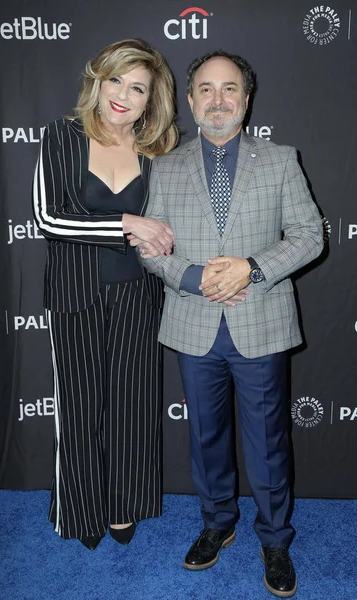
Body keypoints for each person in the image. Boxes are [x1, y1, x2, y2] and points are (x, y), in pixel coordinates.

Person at [132, 50, 323, 597]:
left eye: (230, 88)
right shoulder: (164, 168)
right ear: (190, 101)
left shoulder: (282, 159)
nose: (218, 99)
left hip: (260, 321)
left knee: (266, 442)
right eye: (206, 90)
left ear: (246, 99)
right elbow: (149, 248)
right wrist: (195, 277)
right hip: (194, 324)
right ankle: (217, 524)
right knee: (206, 437)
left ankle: (275, 540)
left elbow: (310, 236)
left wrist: (251, 269)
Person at [32, 39, 178, 550]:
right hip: (75, 295)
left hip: (138, 296)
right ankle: (80, 509)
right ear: (97, 80)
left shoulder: (157, 151)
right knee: (78, 406)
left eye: (137, 87)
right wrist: (125, 222)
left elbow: (168, 230)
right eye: (115, 80)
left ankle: (123, 506)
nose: (123, 95)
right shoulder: (61, 135)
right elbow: (49, 218)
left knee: (132, 408)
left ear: (150, 100)